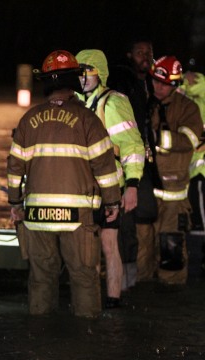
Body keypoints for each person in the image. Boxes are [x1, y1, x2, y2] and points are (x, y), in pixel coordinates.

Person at [7, 50, 121, 318]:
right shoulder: (88, 120)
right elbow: (105, 167)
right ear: (75, 81)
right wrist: (112, 201)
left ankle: (40, 339)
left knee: (41, 279)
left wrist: (14, 202)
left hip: (36, 216)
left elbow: (14, 168)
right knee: (83, 276)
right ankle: (86, 344)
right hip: (78, 218)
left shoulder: (28, 120)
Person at [75, 49, 145, 308]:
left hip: (107, 189)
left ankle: (113, 300)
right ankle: (90, 300)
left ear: (100, 74)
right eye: (78, 72)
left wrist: (133, 185)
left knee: (108, 244)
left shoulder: (113, 102)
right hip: (80, 190)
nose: (82, 78)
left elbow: (132, 147)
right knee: (86, 247)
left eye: (88, 72)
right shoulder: (74, 102)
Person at [138, 56, 202, 285]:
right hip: (146, 194)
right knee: (142, 248)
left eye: (165, 84)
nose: (159, 87)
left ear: (175, 85)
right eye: (155, 81)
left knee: (171, 251)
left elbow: (190, 140)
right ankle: (141, 294)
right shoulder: (144, 103)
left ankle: (172, 298)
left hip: (174, 196)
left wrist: (159, 138)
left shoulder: (188, 108)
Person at [107, 38, 156, 289]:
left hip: (144, 162)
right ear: (129, 55)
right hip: (124, 165)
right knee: (124, 222)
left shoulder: (150, 82)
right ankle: (124, 280)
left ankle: (140, 276)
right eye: (139, 52)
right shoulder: (121, 84)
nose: (145, 56)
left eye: (148, 52)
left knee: (146, 215)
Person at [180, 68, 205, 272]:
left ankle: (196, 267)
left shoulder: (192, 104)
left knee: (199, 222)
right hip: (191, 173)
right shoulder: (186, 104)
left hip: (199, 175)